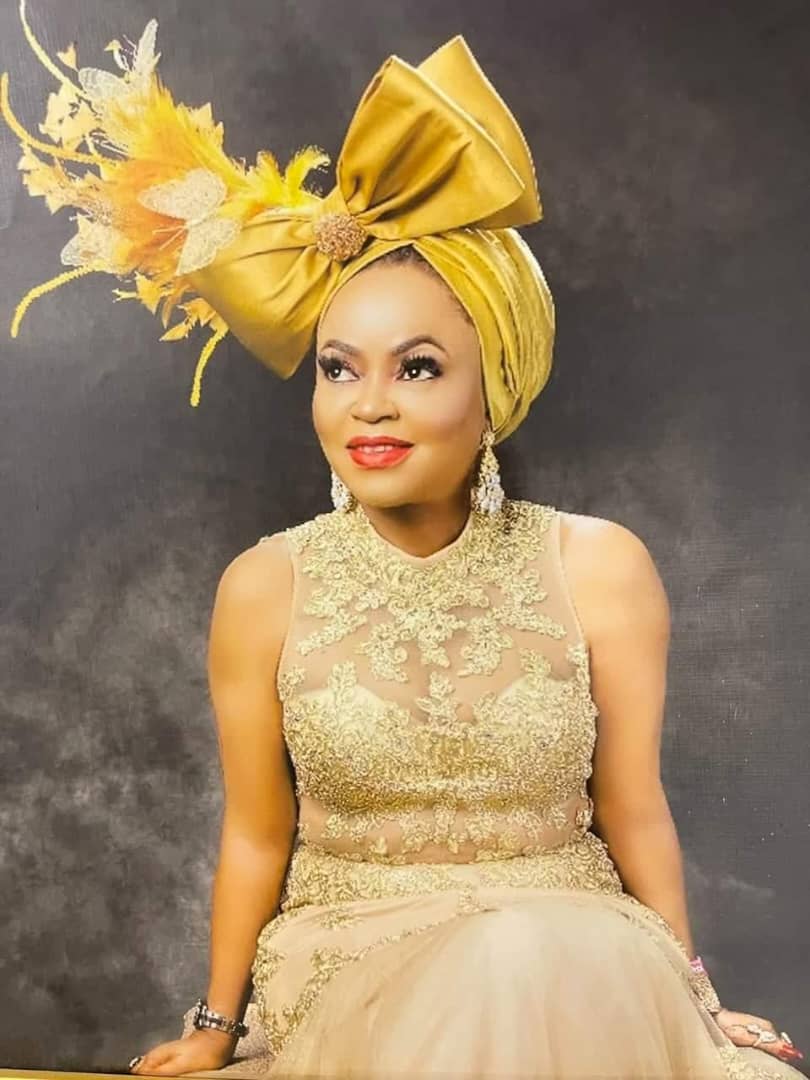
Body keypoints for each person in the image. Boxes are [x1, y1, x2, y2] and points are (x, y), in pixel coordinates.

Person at [2, 7, 805, 1077]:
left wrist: (692, 999)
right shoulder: (266, 584)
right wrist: (214, 1026)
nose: (367, 405)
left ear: (494, 389)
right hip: (352, 959)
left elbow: (634, 808)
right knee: (501, 968)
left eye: (417, 368)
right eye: (339, 368)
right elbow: (256, 834)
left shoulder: (598, 566)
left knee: (529, 954)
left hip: (581, 950)